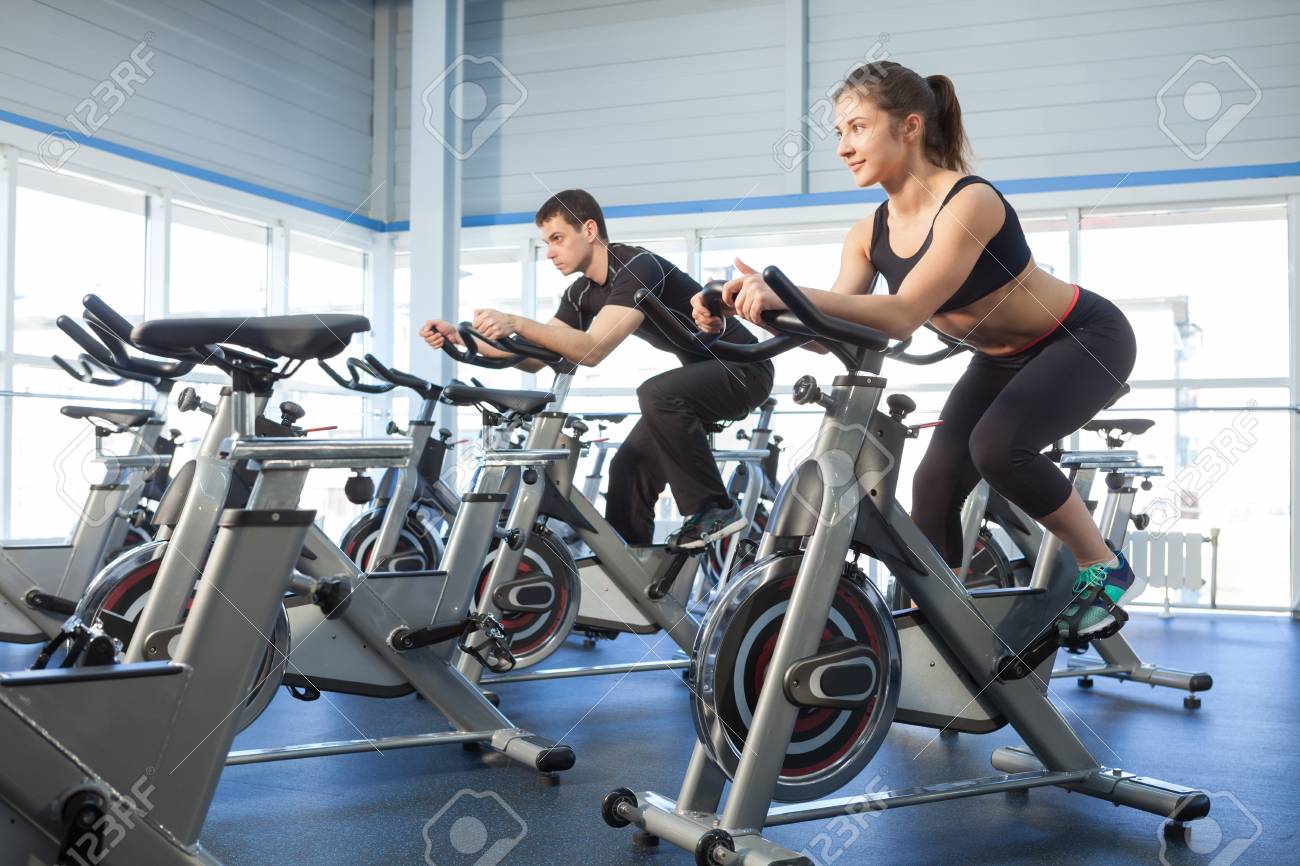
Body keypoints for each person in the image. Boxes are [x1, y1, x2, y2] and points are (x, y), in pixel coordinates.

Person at [695, 61, 1139, 639]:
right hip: (999, 357)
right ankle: (949, 615)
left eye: (857, 128)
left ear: (908, 127)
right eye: (839, 134)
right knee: (934, 482)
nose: (844, 148)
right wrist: (746, 307)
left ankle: (1103, 565)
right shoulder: (867, 233)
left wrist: (784, 289)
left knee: (998, 448)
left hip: (1083, 336)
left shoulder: (969, 201)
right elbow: (835, 332)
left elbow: (904, 314)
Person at [421, 189, 774, 549]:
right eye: (546, 242)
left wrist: (516, 321)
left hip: (744, 370)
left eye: (557, 238)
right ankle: (632, 572)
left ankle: (716, 508)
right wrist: (461, 339)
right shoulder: (581, 293)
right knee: (628, 466)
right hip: (702, 381)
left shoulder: (639, 267)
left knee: (656, 392)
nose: (551, 252)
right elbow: (539, 353)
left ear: (589, 230)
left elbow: (591, 350)